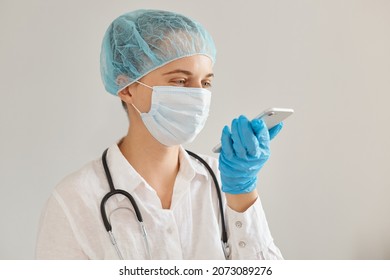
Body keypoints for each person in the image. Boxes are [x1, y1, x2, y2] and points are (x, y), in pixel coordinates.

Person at [35, 9, 284, 260]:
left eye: (205, 83)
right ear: (128, 88)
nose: (198, 96)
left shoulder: (224, 180)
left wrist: (242, 193)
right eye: (180, 81)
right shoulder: (75, 199)